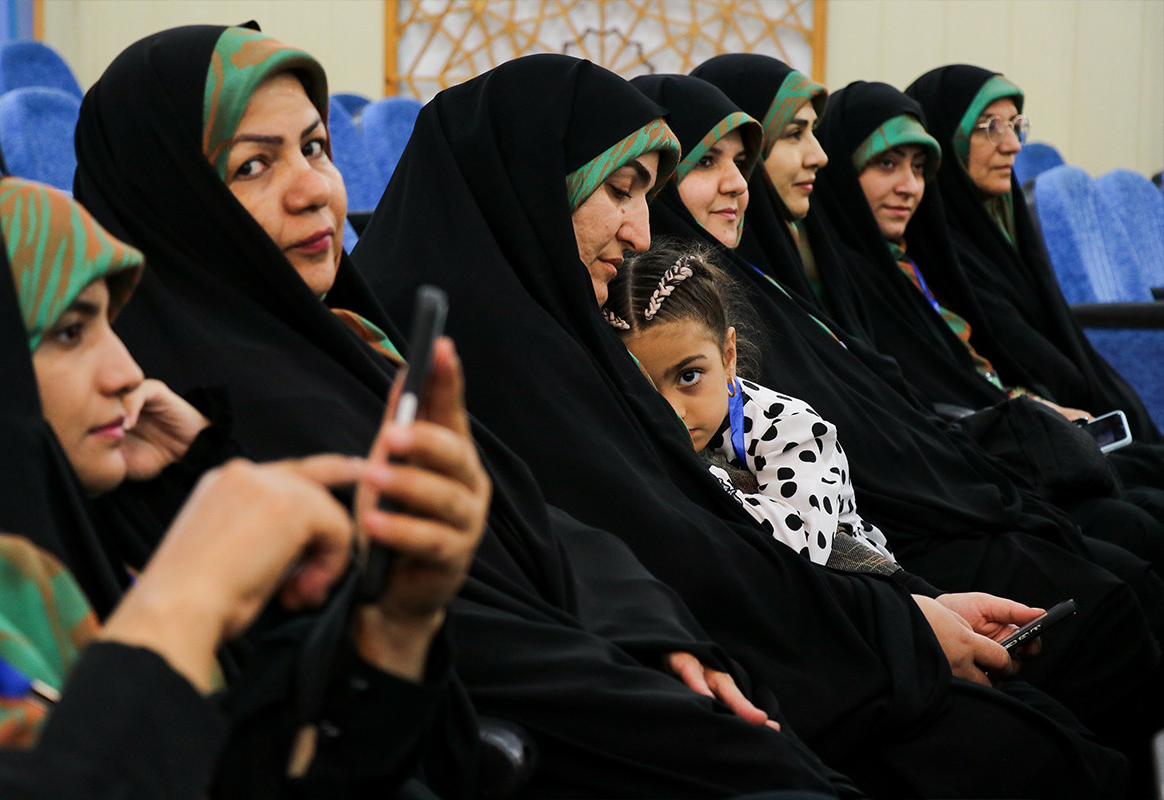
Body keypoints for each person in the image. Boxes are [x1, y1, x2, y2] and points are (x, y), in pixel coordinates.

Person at [72, 25, 872, 798]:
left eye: (315, 147)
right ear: (171, 193)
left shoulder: (343, 340)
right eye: (254, 165)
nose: (316, 187)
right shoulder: (182, 407)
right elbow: (441, 623)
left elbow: (530, 519)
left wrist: (653, 627)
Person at [353, 49, 1133, 797]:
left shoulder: (557, 325)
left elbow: (709, 528)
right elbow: (675, 558)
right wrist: (900, 626)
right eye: (620, 189)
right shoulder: (481, 358)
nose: (640, 233)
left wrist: (909, 605)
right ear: (529, 187)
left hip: (792, 642)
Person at [0, 172, 469, 797]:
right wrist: (188, 598)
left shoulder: (101, 544)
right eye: (70, 332)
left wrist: (397, 625)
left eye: (317, 147)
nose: (126, 373)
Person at [808, 80, 1164, 576]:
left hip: (1002, 450)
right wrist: (1031, 418)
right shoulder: (851, 278)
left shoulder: (910, 258)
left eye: (919, 168)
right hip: (950, 487)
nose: (910, 186)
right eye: (886, 163)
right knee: (1133, 530)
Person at [904, 65, 1164, 490]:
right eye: (991, 127)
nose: (1012, 145)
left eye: (1016, 126)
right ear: (946, 142)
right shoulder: (929, 254)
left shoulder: (1004, 229)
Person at [605, 240, 895, 567]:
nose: (672, 410)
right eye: (642, 386)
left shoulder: (791, 427)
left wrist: (698, 474)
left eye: (689, 376)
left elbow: (800, 546)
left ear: (728, 355)